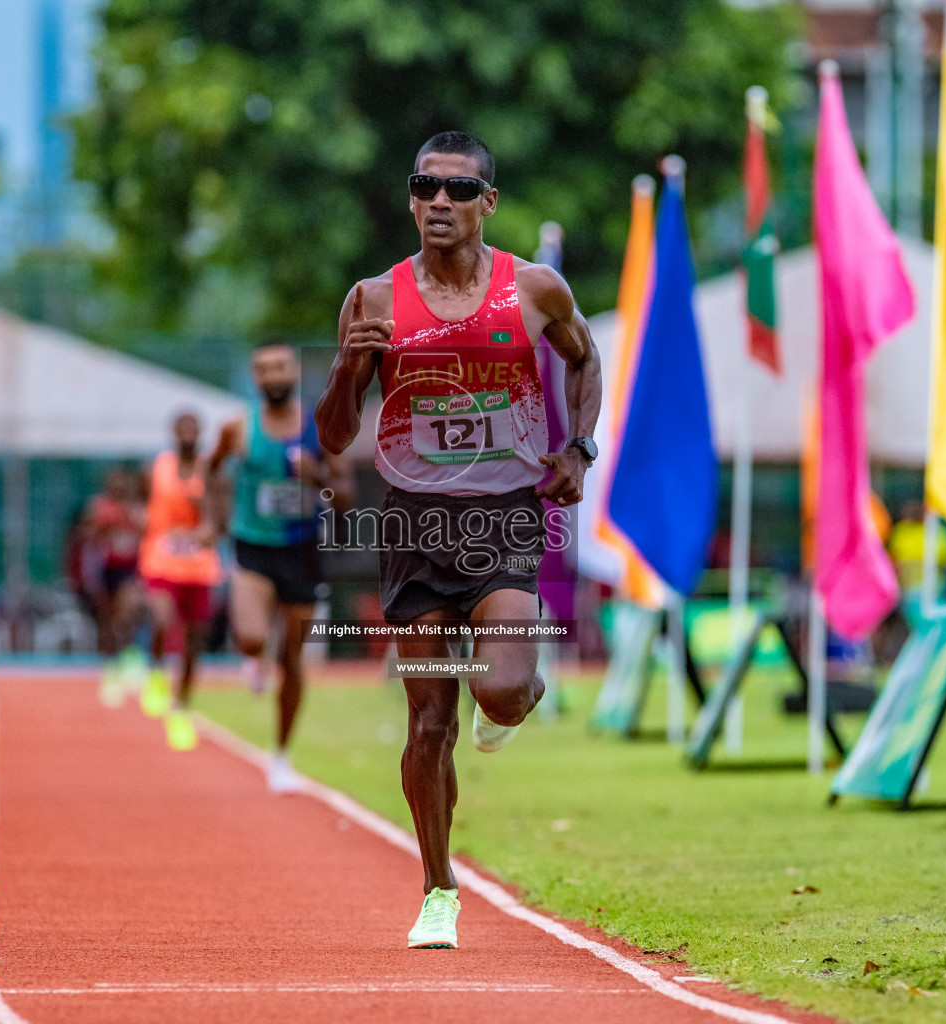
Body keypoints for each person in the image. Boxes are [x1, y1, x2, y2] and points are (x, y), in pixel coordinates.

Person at [314, 131, 601, 948]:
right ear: (410, 200)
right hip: (411, 520)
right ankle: (439, 888)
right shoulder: (372, 299)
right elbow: (335, 438)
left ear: (488, 203)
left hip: (503, 512)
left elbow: (585, 361)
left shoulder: (534, 289)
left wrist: (578, 446)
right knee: (428, 721)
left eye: (459, 189)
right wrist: (344, 372)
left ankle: (515, 699)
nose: (441, 201)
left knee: (502, 688)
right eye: (425, 187)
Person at [211, 339, 351, 793]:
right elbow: (212, 471)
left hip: (303, 549)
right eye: (264, 369)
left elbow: (346, 500)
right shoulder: (237, 429)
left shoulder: (320, 426)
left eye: (280, 368)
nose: (273, 376)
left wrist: (320, 478)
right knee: (251, 637)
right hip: (253, 544)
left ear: (295, 374)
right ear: (256, 379)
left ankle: (282, 755)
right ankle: (255, 655)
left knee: (293, 657)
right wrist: (213, 521)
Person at [138, 412, 224, 750]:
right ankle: (157, 673)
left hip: (198, 563)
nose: (188, 433)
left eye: (193, 427)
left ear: (200, 432)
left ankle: (182, 707)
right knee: (162, 617)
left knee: (194, 641)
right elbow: (144, 504)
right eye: (182, 427)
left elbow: (220, 519)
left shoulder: (210, 471)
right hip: (160, 557)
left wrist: (207, 525)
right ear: (173, 432)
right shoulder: (156, 468)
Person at [81, 468, 148, 659]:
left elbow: (147, 535)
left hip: (128, 569)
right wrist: (102, 527)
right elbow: (86, 535)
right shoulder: (100, 508)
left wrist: (132, 523)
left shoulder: (136, 511)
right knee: (106, 619)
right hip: (105, 569)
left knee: (126, 614)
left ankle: (128, 653)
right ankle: (109, 659)